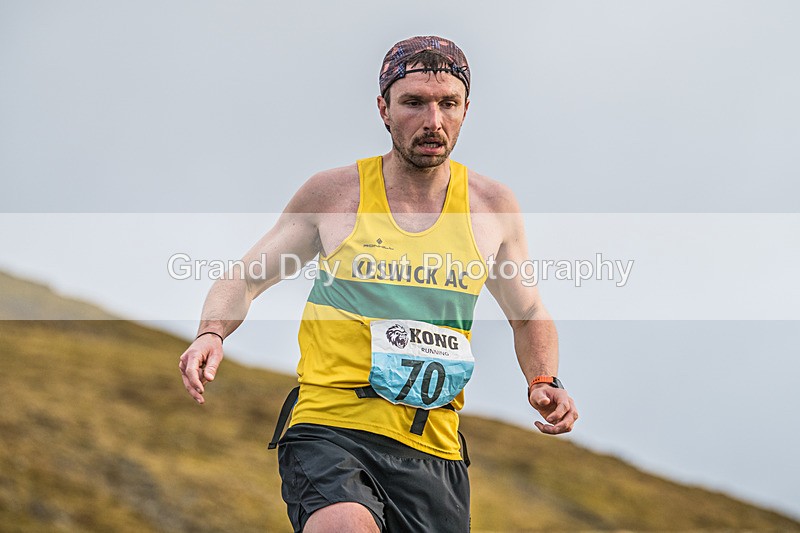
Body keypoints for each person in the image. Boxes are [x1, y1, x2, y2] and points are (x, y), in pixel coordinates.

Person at [179, 35, 578, 532]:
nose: (433, 121)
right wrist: (211, 331)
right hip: (331, 428)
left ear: (466, 110)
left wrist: (543, 379)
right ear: (384, 109)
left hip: (434, 448)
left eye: (447, 104)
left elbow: (528, 312)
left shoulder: (492, 207)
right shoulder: (336, 193)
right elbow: (245, 278)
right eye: (413, 102)